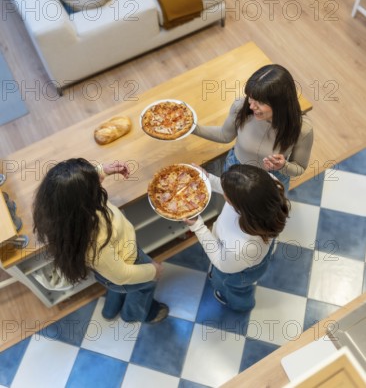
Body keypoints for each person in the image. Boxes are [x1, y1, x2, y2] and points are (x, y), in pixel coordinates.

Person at [32, 158, 169, 324]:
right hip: (129, 262)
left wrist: (100, 171)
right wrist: (153, 271)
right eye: (94, 187)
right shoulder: (95, 241)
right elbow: (122, 275)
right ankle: (133, 314)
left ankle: (110, 310)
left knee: (116, 285)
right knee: (144, 287)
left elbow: (70, 188)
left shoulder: (60, 214)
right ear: (85, 200)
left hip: (108, 271)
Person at [185, 164, 291, 312]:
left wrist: (197, 226)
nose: (224, 193)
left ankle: (241, 305)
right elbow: (239, 190)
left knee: (232, 287)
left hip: (239, 273)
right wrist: (206, 179)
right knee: (222, 274)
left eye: (226, 194)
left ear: (240, 206)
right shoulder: (268, 187)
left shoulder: (243, 248)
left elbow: (221, 262)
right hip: (245, 257)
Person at [193, 64, 313, 192]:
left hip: (272, 179)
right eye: (251, 97)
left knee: (268, 211)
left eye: (260, 102)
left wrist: (283, 166)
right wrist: (193, 128)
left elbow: (299, 167)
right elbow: (224, 135)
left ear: (280, 104)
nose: (251, 106)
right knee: (232, 205)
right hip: (235, 168)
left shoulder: (302, 129)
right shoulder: (241, 107)